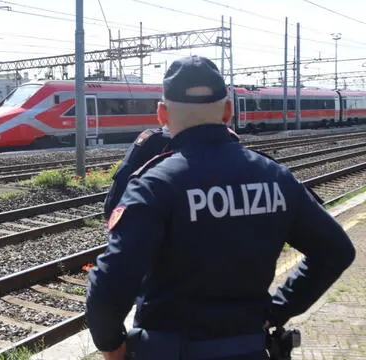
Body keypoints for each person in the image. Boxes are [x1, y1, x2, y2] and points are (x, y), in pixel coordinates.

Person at [85, 55, 355, 360]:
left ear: (162, 113)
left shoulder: (154, 184)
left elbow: (109, 286)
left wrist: (111, 346)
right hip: (248, 349)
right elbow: (336, 251)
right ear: (228, 111)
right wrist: (278, 310)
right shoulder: (275, 177)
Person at [104, 121, 240, 219]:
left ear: (162, 112)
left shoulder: (151, 141)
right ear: (226, 111)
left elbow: (117, 197)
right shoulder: (230, 140)